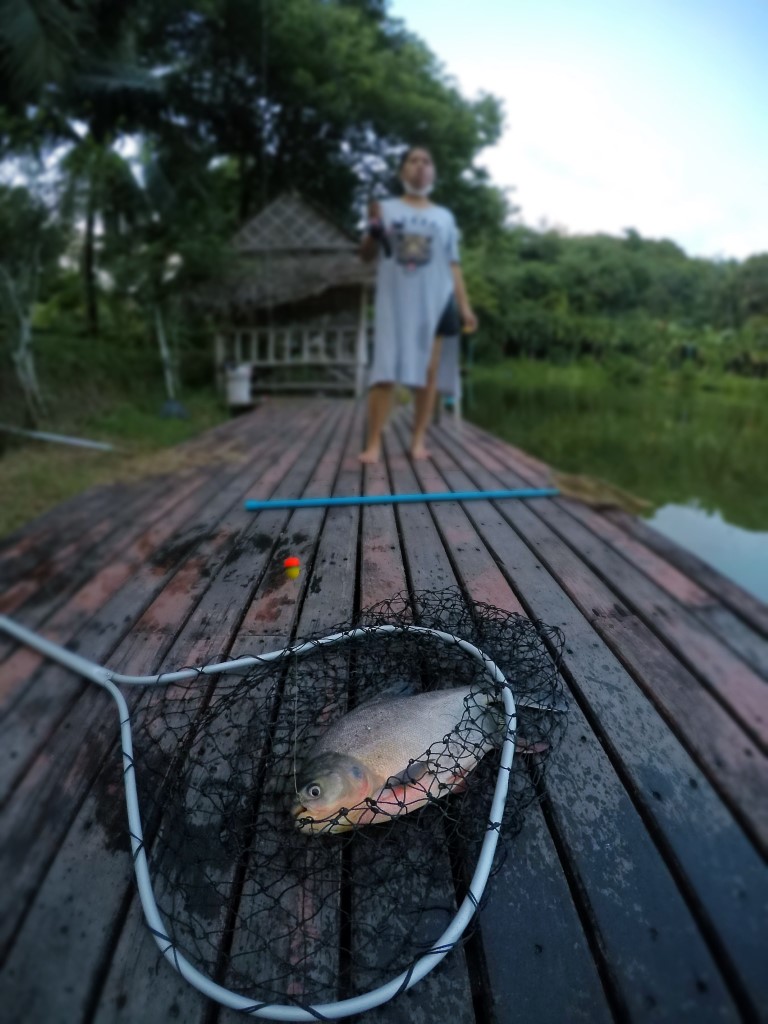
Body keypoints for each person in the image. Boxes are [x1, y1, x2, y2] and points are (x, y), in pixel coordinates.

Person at [359, 146, 478, 462]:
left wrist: (465, 307)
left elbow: (453, 263)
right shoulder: (384, 208)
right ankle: (373, 443)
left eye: (427, 161)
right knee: (385, 370)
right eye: (413, 160)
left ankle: (417, 440)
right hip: (395, 299)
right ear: (402, 172)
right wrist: (372, 231)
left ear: (433, 173)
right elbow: (366, 254)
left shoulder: (445, 217)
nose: (420, 166)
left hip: (436, 300)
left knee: (428, 371)